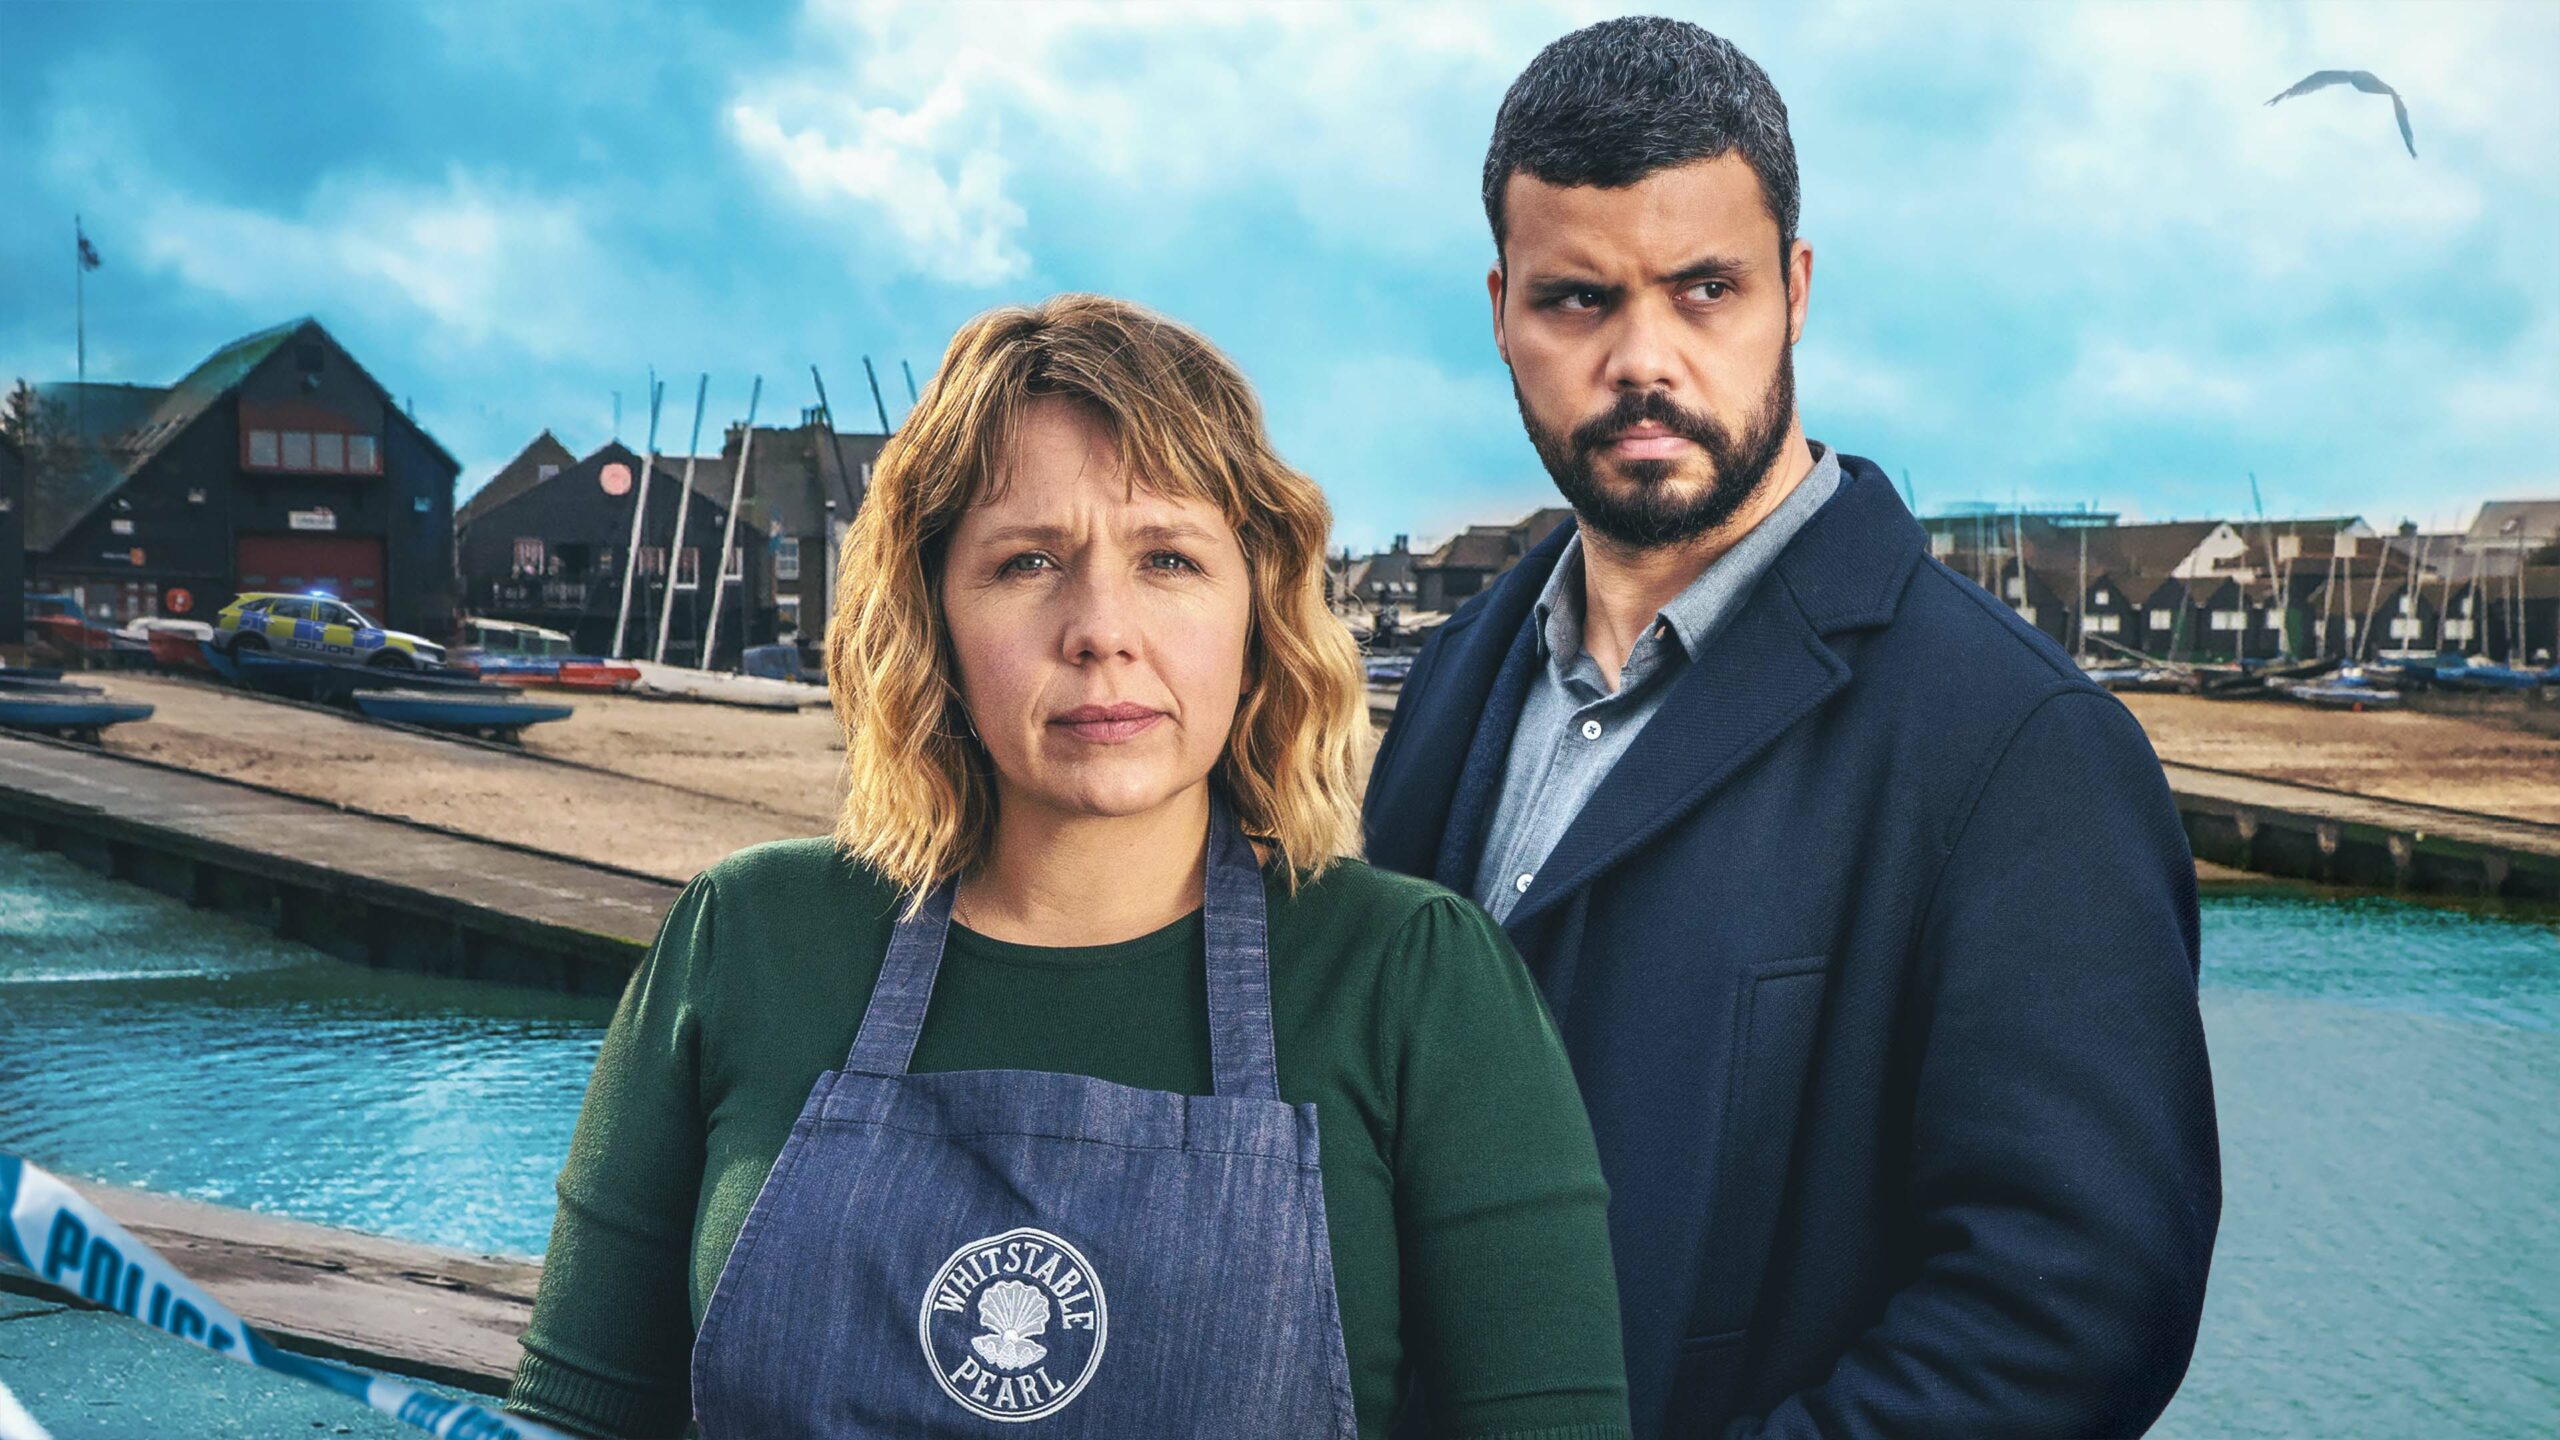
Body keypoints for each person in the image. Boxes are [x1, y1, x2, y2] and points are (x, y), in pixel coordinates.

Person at [506, 294, 1632, 1439]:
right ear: (933, 616)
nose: (1100, 626)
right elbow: (573, 1420)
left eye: (1169, 559)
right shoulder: (744, 940)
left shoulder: (1414, 983)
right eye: (1027, 561)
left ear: (1257, 612)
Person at [1364, 18, 2220, 1439]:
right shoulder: (1456, 675)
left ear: (1795, 290)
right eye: (1580, 301)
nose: (1645, 360)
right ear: (1503, 307)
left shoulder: (2023, 745)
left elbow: (2071, 1315)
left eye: (1705, 289)